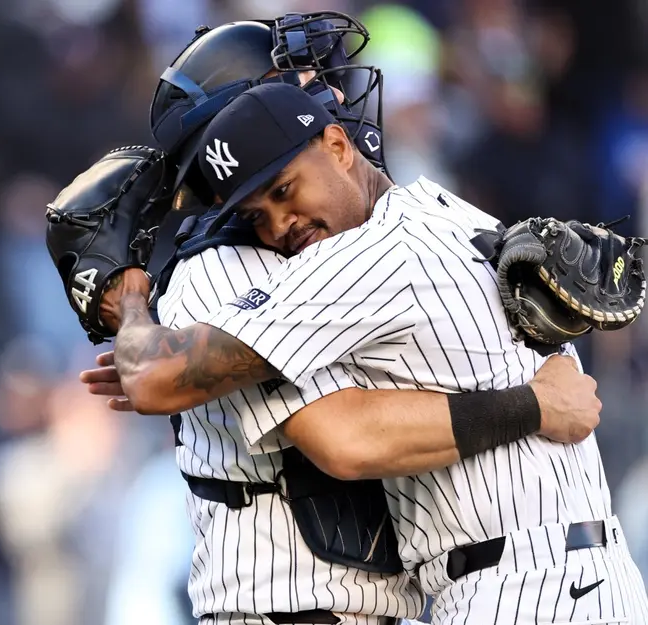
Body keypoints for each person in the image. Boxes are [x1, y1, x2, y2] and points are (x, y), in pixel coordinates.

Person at [88, 81, 646, 624]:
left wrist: (132, 301)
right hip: (584, 576)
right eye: (257, 216)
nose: (280, 225)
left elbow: (151, 378)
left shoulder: (367, 255)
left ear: (337, 146)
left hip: (522, 589)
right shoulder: (453, 212)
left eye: (283, 190)